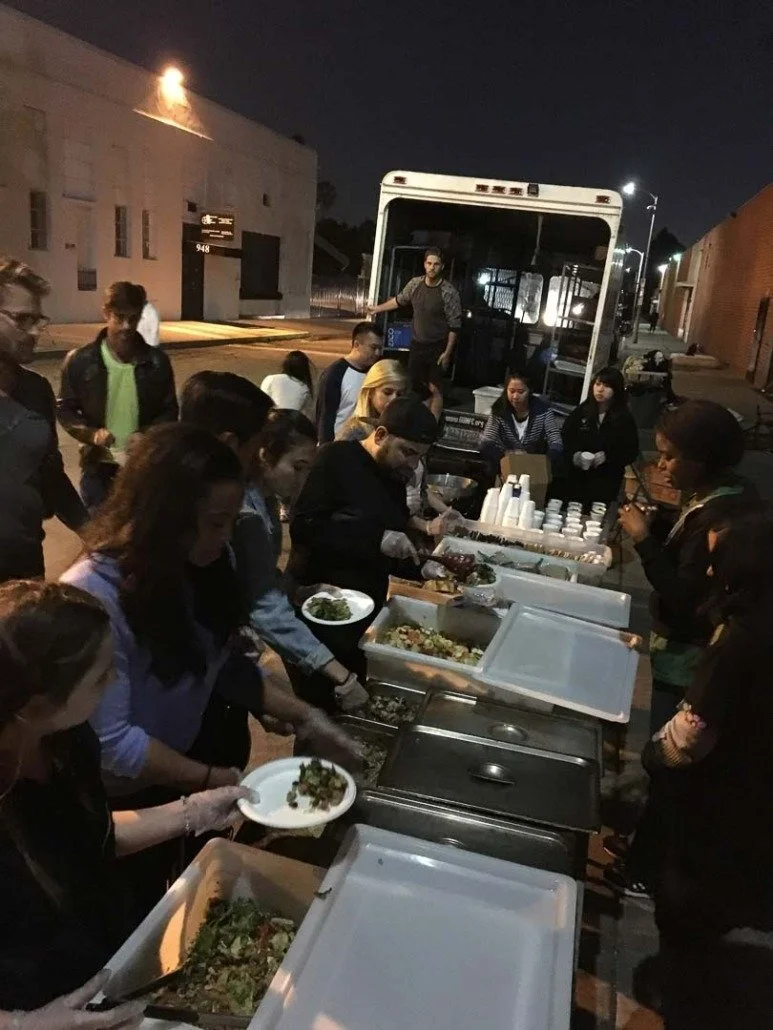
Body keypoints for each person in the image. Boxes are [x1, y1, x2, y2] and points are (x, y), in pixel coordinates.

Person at [61, 423, 357, 912]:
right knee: (137, 910)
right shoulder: (96, 593)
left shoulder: (198, 565)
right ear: (163, 517)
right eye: (215, 523)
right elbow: (114, 745)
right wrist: (208, 779)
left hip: (179, 765)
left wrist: (307, 716)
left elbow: (219, 665)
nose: (225, 538)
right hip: (124, 801)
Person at [0, 578, 249, 1014]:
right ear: (35, 704)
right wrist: (25, 1025)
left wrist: (190, 812)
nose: (115, 680)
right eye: (101, 675)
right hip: (38, 993)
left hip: (103, 952)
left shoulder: (68, 739)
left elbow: (88, 838)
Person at [625, 510, 773, 1027]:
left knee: (690, 909)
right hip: (755, 798)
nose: (708, 574)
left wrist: (649, 761)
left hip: (721, 803)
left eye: (716, 565)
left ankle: (686, 996)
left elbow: (690, 739)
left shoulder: (741, 640)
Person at [179, 372, 369, 714]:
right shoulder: (240, 509)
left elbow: (254, 582)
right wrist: (339, 675)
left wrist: (293, 590)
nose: (303, 481)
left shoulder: (259, 499)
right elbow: (260, 603)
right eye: (297, 468)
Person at [289, 397, 447, 710]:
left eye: (420, 457)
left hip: (364, 613)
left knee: (355, 703)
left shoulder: (393, 479)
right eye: (408, 452)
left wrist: (421, 568)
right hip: (323, 607)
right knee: (320, 709)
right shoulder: (336, 459)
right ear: (380, 435)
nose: (413, 464)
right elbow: (305, 527)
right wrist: (375, 538)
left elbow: (393, 543)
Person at [617, 400, 755, 736]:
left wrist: (643, 538)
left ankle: (659, 781)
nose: (661, 465)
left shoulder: (721, 517)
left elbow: (682, 593)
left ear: (702, 459)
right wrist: (662, 525)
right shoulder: (721, 493)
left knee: (671, 739)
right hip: (689, 650)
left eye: (670, 456)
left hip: (690, 660)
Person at [57, 281, 178, 512]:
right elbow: (65, 408)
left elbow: (169, 410)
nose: (126, 326)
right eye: (119, 317)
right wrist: (91, 434)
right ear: (106, 313)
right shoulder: (81, 361)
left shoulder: (157, 363)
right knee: (99, 536)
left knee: (138, 536)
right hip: (97, 469)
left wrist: (146, 435)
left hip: (141, 468)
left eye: (133, 318)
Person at [0, 259, 86, 583]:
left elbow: (50, 475)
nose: (35, 332)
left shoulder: (36, 391)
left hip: (25, 577)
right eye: (22, 319)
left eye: (38, 320)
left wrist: (93, 531)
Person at [369, 247, 462, 393]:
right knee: (414, 386)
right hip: (417, 345)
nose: (432, 267)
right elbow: (399, 301)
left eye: (436, 264)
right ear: (425, 264)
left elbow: (454, 326)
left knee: (434, 389)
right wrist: (377, 309)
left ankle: (432, 416)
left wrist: (447, 353)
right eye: (429, 263)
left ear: (442, 266)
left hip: (438, 346)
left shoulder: (449, 292)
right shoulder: (415, 284)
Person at [561, 366, 639, 507]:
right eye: (597, 384)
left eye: (607, 386)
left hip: (606, 481)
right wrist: (575, 455)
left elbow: (631, 452)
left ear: (616, 390)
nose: (600, 389)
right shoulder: (582, 411)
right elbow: (565, 438)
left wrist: (608, 456)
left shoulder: (624, 418)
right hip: (578, 479)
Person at [479, 372, 563, 470]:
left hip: (534, 466)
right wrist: (507, 454)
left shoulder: (543, 411)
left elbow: (556, 441)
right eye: (511, 391)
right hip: (504, 464)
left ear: (530, 391)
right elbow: (487, 442)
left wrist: (545, 461)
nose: (515, 396)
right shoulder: (499, 409)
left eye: (520, 391)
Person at [315, 322, 382, 442]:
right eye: (373, 347)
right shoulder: (335, 373)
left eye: (379, 348)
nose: (377, 353)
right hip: (339, 447)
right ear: (356, 345)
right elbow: (325, 417)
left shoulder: (376, 373)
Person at [336, 358, 408, 442]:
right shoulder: (353, 434)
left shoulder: (403, 429)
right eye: (387, 392)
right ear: (370, 392)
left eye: (400, 394)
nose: (394, 399)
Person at [261, 350, 315, 418]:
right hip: (291, 424)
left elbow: (261, 403)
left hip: (270, 422)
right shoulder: (304, 388)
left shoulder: (270, 379)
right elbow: (308, 417)